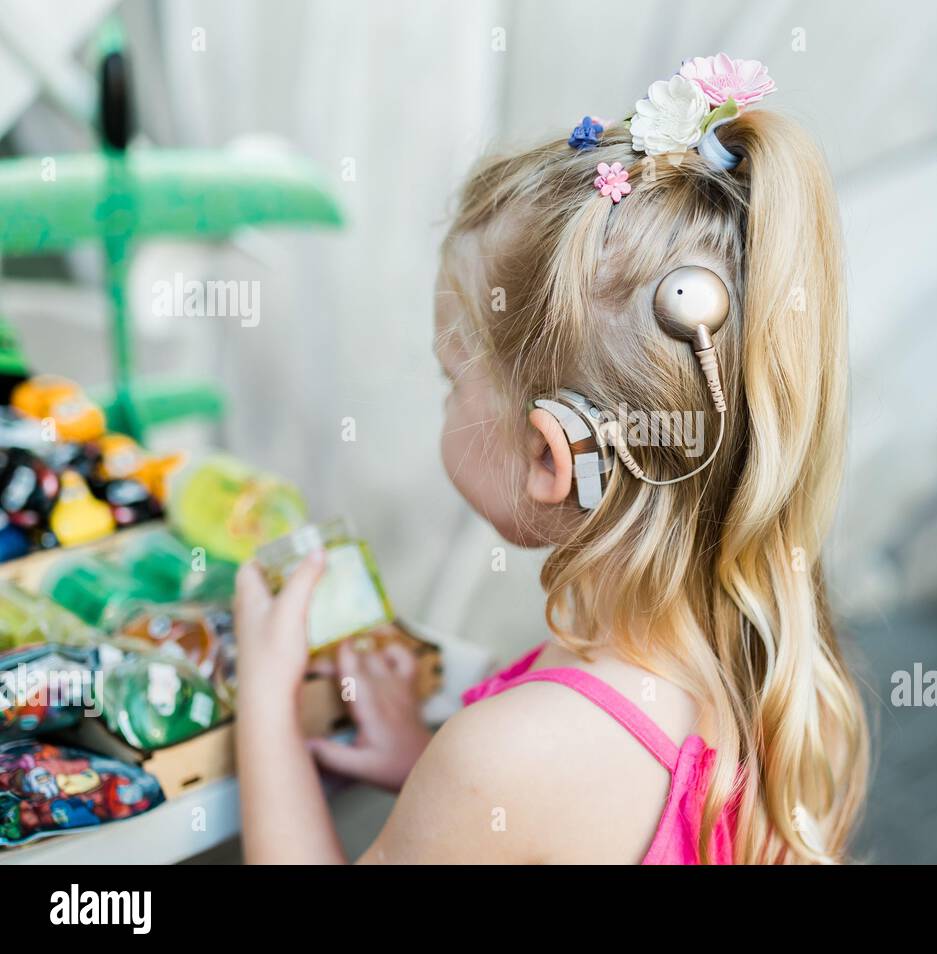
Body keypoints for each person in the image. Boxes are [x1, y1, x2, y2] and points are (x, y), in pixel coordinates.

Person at [234, 54, 867, 864]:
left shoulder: (508, 757)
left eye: (450, 379)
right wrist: (426, 778)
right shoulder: (769, 669)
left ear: (548, 456)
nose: (445, 398)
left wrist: (264, 712)